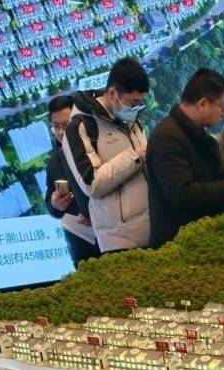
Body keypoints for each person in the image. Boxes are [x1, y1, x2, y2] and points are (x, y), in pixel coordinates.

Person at [147, 69, 224, 248]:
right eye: (222, 106)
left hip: (206, 239)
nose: (223, 113)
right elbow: (182, 194)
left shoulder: (199, 135)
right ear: (203, 103)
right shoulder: (167, 137)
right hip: (179, 245)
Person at [63, 57, 150, 253]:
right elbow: (92, 184)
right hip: (120, 241)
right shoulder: (81, 127)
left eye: (140, 103)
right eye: (133, 102)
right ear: (112, 93)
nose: (136, 108)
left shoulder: (131, 119)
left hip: (151, 228)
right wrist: (135, 157)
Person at [44, 95, 100, 267]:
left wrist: (95, 216)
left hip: (110, 234)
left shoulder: (97, 148)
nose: (61, 132)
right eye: (56, 126)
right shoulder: (54, 161)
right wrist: (55, 205)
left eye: (66, 125)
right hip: (81, 246)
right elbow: (50, 203)